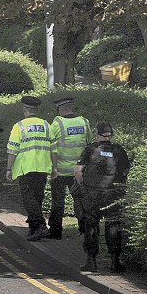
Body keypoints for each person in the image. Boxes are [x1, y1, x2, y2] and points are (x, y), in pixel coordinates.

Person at [75, 123, 131, 273]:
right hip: (112, 193)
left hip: (92, 193)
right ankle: (115, 262)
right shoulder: (119, 150)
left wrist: (83, 186)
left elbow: (78, 171)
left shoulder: (90, 149)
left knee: (91, 225)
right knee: (113, 225)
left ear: (97, 135)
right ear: (110, 135)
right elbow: (125, 171)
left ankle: (91, 262)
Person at [6, 96, 53, 241]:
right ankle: (33, 230)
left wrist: (9, 168)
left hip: (26, 168)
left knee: (28, 199)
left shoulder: (19, 126)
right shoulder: (46, 125)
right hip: (43, 167)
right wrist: (55, 167)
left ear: (24, 109)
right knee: (37, 198)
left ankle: (40, 226)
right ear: (36, 109)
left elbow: (13, 150)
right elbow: (53, 148)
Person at [48, 97, 93, 239]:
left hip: (60, 171)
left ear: (61, 110)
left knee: (58, 201)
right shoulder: (84, 122)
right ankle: (85, 227)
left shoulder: (57, 124)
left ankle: (55, 231)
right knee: (79, 199)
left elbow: (51, 148)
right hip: (79, 172)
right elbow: (89, 144)